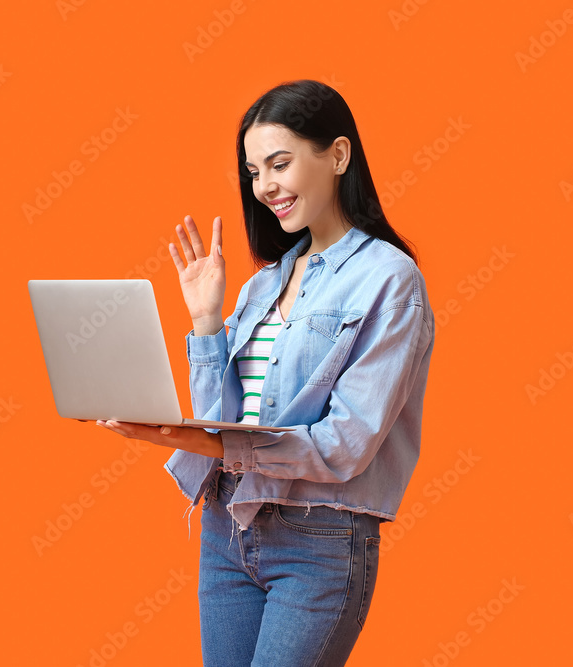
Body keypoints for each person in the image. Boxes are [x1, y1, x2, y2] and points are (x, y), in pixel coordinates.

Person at [96, 79, 435, 666]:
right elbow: (221, 417)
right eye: (254, 172)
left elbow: (346, 445)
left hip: (319, 541)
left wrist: (209, 443)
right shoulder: (262, 285)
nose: (266, 186)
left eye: (279, 164)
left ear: (337, 154)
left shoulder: (389, 279)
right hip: (228, 528)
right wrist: (206, 322)